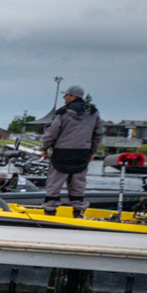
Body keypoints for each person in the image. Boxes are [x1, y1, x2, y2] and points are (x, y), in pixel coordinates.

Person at [40, 85, 102, 214]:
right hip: (82, 153)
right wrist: (92, 152)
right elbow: (98, 134)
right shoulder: (93, 113)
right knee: (78, 184)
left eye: (66, 95)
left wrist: (44, 147)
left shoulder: (62, 113)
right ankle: (78, 211)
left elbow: (52, 132)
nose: (64, 97)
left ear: (72, 96)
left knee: (54, 183)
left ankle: (50, 210)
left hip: (62, 153)